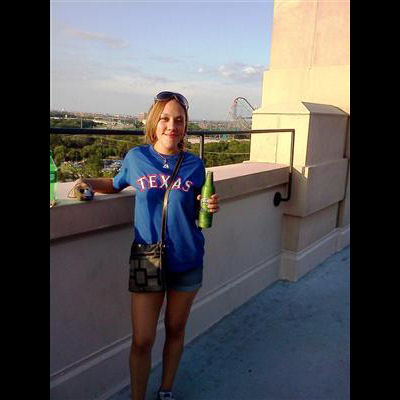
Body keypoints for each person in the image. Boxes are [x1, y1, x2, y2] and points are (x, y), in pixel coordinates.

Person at [74, 91, 220, 400]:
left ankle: (166, 390)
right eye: (165, 119)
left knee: (176, 330)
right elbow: (115, 184)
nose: (172, 126)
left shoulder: (195, 165)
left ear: (185, 126)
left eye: (179, 120)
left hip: (187, 259)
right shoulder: (136, 158)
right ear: (153, 122)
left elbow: (196, 206)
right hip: (147, 259)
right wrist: (86, 182)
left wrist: (208, 204)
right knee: (142, 340)